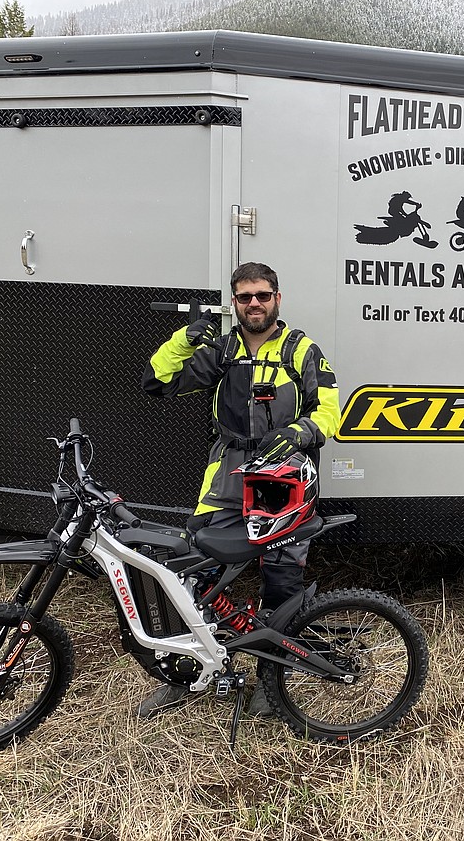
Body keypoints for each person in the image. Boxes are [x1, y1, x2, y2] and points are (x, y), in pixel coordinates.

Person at [137, 261, 341, 718]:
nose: (254, 304)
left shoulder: (301, 350)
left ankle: (272, 679)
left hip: (283, 473)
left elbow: (330, 409)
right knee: (190, 572)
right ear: (235, 302)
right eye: (245, 297)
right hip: (226, 472)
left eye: (262, 296)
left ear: (277, 299)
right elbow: (157, 381)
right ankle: (185, 674)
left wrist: (303, 431)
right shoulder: (222, 348)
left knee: (282, 580)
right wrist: (184, 339)